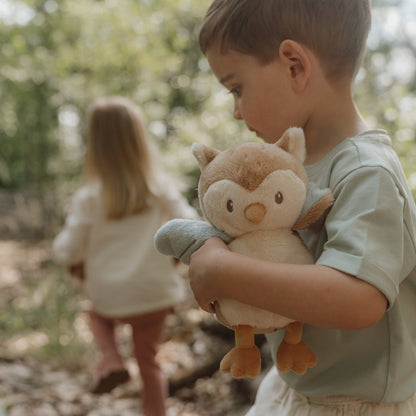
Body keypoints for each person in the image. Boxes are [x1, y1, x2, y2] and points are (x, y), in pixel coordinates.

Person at [188, 1, 416, 415]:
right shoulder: (296, 169)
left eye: (237, 88)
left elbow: (358, 299)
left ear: (294, 65)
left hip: (356, 404)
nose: (236, 110)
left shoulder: (366, 172)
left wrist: (224, 272)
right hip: (302, 383)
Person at [53, 96, 198, 416]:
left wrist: (66, 230)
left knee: (95, 316)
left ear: (96, 144)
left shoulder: (90, 197)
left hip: (110, 298)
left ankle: (111, 359)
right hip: (155, 294)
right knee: (149, 362)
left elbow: (67, 252)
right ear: (138, 139)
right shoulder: (159, 187)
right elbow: (191, 224)